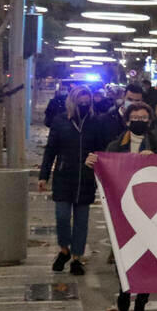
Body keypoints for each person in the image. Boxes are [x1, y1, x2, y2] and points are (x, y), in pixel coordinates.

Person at [99, 102, 157, 311]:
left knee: (148, 258)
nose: (139, 121)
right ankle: (124, 289)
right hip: (124, 211)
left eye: (143, 117)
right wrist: (94, 163)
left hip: (153, 210)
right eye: (134, 118)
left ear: (149, 121)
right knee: (125, 254)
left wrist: (156, 158)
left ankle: (141, 305)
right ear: (127, 121)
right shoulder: (115, 146)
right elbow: (106, 170)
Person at [38, 86, 107, 276]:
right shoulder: (60, 121)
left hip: (85, 178)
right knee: (61, 216)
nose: (84, 105)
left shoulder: (95, 122)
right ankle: (64, 249)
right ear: (72, 101)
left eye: (87, 102)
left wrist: (95, 160)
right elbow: (50, 150)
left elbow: (102, 149)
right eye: (80, 102)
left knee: (81, 221)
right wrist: (44, 175)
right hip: (64, 175)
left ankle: (76, 257)